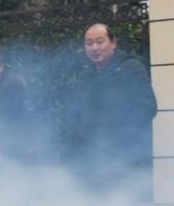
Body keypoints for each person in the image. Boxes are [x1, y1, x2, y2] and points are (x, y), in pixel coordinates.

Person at [64, 23, 158, 197]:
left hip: (126, 161)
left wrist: (122, 140)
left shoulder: (130, 67)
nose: (94, 48)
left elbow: (147, 105)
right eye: (89, 43)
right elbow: (78, 117)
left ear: (113, 43)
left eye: (100, 42)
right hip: (92, 162)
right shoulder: (85, 77)